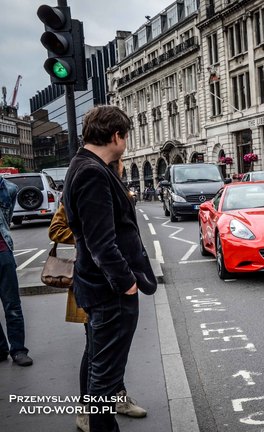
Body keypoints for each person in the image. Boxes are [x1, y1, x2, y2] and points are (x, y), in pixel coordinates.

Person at [63, 105, 157, 432]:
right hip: (109, 292)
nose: (126, 143)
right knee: (105, 379)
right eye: (126, 136)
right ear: (116, 135)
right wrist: (127, 283)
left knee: (96, 362)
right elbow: (101, 242)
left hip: (97, 288)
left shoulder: (83, 165)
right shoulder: (92, 172)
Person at [49, 160, 147, 432]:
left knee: (110, 350)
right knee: (94, 349)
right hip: (91, 278)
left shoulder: (113, 188)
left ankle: (117, 397)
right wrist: (91, 234)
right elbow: (56, 229)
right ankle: (86, 411)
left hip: (111, 279)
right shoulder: (88, 183)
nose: (123, 169)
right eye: (120, 166)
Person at [0, 176, 32, 367]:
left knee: (12, 305)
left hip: (3, 253)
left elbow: (7, 219)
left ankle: (18, 350)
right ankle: (1, 348)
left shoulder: (9, 189)